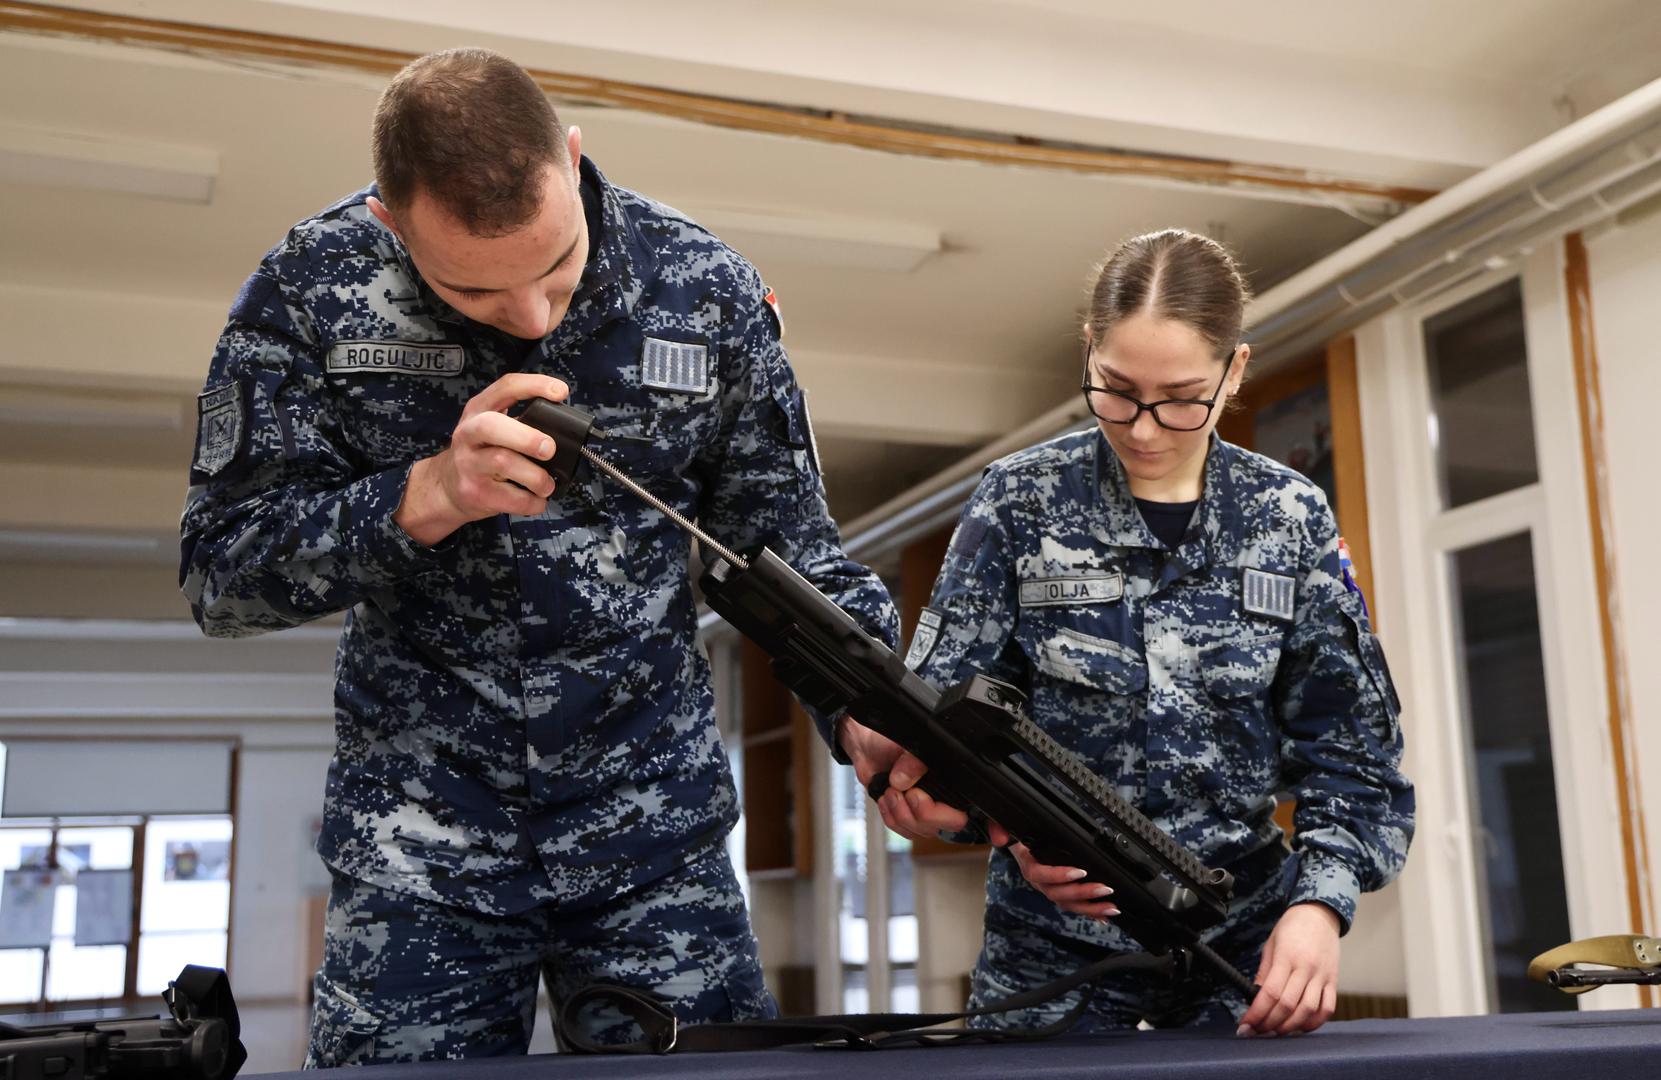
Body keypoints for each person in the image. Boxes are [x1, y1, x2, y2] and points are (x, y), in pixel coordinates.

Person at [179, 48, 897, 1065]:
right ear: (390, 222)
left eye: (556, 268)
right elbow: (220, 578)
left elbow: (788, 551)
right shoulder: (308, 289)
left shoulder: (704, 287)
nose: (531, 318)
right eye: (472, 289)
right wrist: (422, 498)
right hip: (419, 852)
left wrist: (868, 705)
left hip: (655, 844)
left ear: (572, 155)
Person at [838, 229, 1414, 1036]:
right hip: (1052, 949)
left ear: (1234, 371)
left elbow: (1352, 750)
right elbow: (941, 721)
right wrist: (1008, 832)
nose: (1143, 429)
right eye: (1115, 389)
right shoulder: (1019, 501)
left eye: (1181, 397)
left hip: (1239, 947)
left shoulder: (1287, 518)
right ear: (1088, 351)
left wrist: (1319, 906)